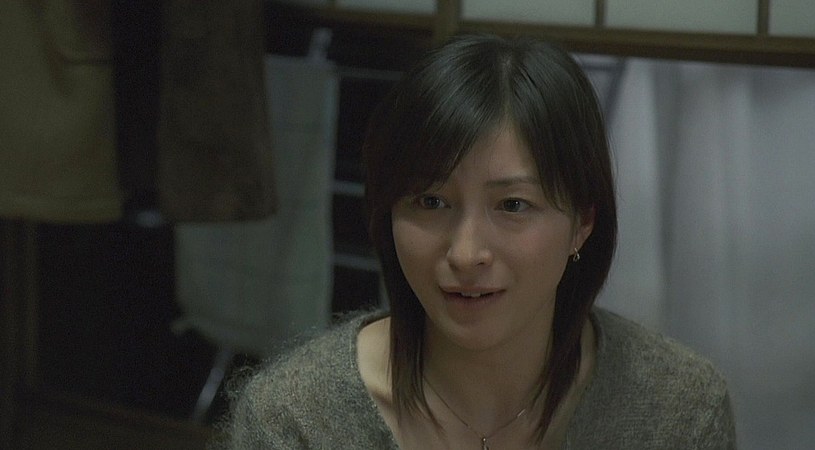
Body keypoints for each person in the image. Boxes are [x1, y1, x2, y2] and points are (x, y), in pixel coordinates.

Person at [218, 34, 736, 449]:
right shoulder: (296, 420)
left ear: (582, 222)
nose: (466, 254)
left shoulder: (676, 409)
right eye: (430, 202)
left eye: (513, 205)